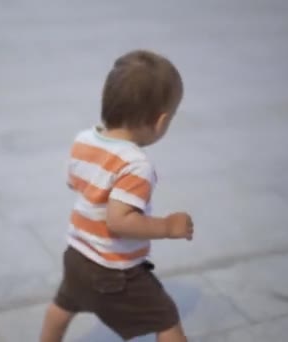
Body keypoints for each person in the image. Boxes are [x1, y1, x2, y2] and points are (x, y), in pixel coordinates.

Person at [40, 49, 194, 342]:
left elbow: (74, 182)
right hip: (113, 270)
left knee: (62, 306)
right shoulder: (136, 164)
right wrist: (167, 227)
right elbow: (119, 221)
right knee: (166, 318)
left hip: (77, 255)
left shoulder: (83, 140)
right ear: (160, 122)